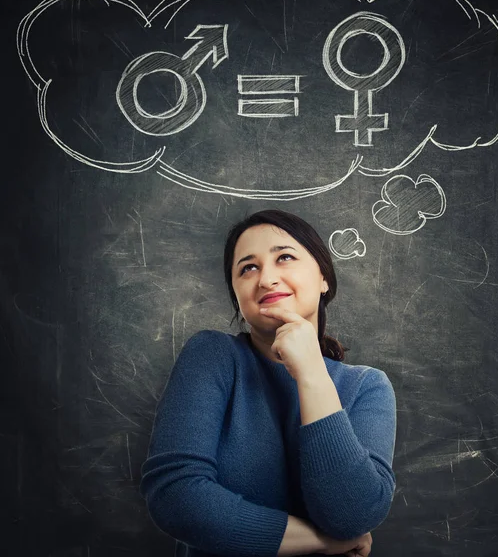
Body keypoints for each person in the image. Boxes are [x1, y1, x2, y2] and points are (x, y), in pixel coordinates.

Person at [140, 209, 397, 557]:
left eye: (285, 258)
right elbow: (176, 496)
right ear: (236, 294)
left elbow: (351, 515)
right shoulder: (213, 356)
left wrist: (310, 372)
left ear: (324, 277)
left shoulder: (367, 386)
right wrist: (323, 542)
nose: (265, 279)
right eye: (248, 268)